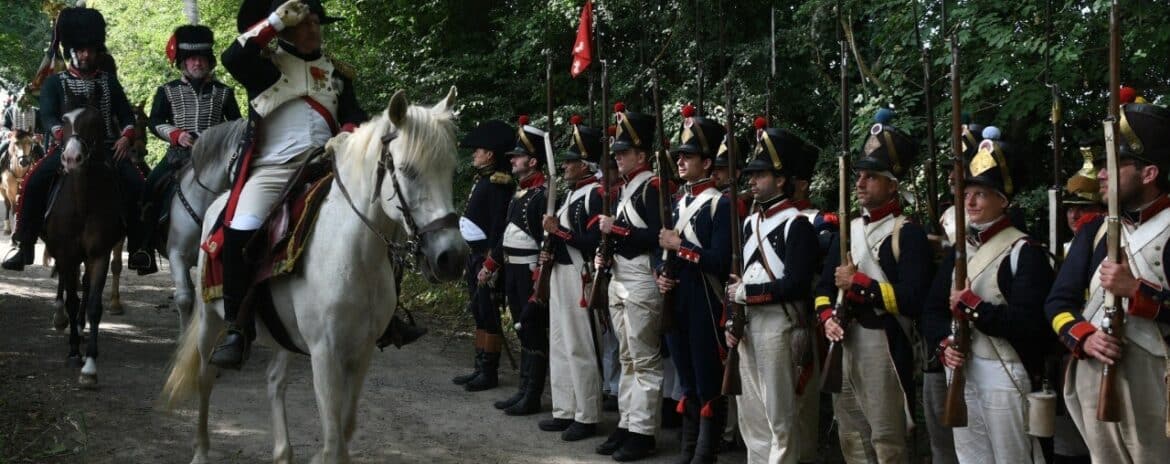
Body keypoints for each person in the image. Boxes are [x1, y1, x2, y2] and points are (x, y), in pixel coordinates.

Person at [206, 0, 368, 369]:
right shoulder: (265, 66)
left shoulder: (338, 73)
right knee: (241, 227)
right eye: (305, 24)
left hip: (328, 166)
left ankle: (385, 311)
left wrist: (347, 132)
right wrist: (274, 20)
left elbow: (356, 114)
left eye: (317, 24)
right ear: (288, 29)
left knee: (376, 212)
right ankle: (237, 326)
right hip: (275, 169)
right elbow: (232, 57)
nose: (314, 30)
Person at [1044, 102, 1170, 464]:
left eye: (1113, 165)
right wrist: (1085, 336)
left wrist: (1138, 292)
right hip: (1092, 371)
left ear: (1148, 174)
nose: (1100, 174)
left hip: (1157, 380)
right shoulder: (1093, 232)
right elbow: (1057, 304)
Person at [924, 127, 1056, 463]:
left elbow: (1029, 325)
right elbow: (932, 311)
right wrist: (943, 344)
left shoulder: (1024, 251)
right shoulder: (959, 250)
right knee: (970, 457)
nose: (969, 201)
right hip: (962, 369)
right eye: (968, 191)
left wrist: (974, 308)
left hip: (1006, 371)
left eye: (981, 193)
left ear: (1003, 200)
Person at [816, 109, 932, 463]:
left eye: (871, 177)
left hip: (883, 339)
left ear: (892, 184)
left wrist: (860, 283)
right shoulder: (848, 230)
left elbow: (914, 299)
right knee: (852, 435)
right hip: (844, 338)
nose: (861, 183)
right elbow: (822, 288)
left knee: (886, 438)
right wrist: (826, 318)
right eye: (860, 176)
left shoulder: (907, 232)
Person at [3, 7, 144, 272]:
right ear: (72, 51)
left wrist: (126, 137)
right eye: (80, 50)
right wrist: (62, 135)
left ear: (96, 50)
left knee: (137, 184)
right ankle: (24, 244)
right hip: (67, 147)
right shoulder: (55, 83)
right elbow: (47, 117)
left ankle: (139, 248)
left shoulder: (109, 82)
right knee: (33, 181)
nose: (86, 54)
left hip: (106, 149)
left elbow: (126, 116)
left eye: (90, 50)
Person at [723, 123, 819, 463]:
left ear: (781, 180)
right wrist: (733, 314)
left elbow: (795, 284)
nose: (752, 180)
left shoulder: (797, 225)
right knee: (752, 415)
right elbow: (739, 277)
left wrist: (746, 295)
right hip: (749, 324)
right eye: (752, 174)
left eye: (760, 175)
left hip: (778, 325)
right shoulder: (750, 223)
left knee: (780, 416)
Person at [131, 24, 242, 275]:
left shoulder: (224, 92)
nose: (197, 63)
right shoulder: (167, 91)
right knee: (149, 189)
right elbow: (154, 121)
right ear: (183, 62)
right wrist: (177, 135)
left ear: (209, 62)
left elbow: (236, 125)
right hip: (178, 157)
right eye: (192, 59)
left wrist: (216, 139)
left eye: (201, 58)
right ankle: (145, 248)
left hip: (215, 159)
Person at [655, 107, 731, 463]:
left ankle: (705, 454)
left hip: (704, 299)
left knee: (706, 380)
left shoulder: (720, 205)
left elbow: (719, 260)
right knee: (686, 378)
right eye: (679, 156)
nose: (681, 162)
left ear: (706, 161)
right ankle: (688, 451)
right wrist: (660, 271)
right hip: (678, 296)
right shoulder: (678, 200)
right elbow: (664, 252)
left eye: (688, 156)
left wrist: (679, 248)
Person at [593, 102, 665, 461]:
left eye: (625, 152)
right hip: (621, 276)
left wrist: (616, 229)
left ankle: (643, 430)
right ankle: (627, 422)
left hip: (640, 277)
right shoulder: (626, 189)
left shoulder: (652, 186)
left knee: (643, 358)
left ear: (642, 153)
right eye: (617, 152)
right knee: (626, 356)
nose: (618, 158)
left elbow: (656, 237)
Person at [536, 114, 604, 441]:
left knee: (579, 345)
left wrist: (558, 232)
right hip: (560, 272)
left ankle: (587, 414)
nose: (565, 166)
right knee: (560, 343)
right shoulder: (572, 193)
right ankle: (565, 408)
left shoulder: (595, 194)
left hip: (580, 272)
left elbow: (592, 243)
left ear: (586, 164)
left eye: (572, 161)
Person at [482, 117, 549, 415]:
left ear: (532, 161)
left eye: (518, 156)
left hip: (529, 271)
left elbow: (545, 242)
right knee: (523, 330)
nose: (512, 160)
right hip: (512, 269)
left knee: (532, 329)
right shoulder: (520, 192)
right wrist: (491, 264)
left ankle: (532, 395)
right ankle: (523, 390)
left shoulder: (542, 195)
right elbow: (507, 235)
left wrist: (538, 279)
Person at [451, 119, 515, 391]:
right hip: (473, 255)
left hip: (487, 257)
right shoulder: (484, 181)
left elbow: (499, 226)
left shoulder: (499, 184)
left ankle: (489, 371)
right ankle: (479, 365)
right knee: (479, 311)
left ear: (490, 154)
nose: (475, 154)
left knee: (489, 313)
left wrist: (492, 262)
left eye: (478, 150)